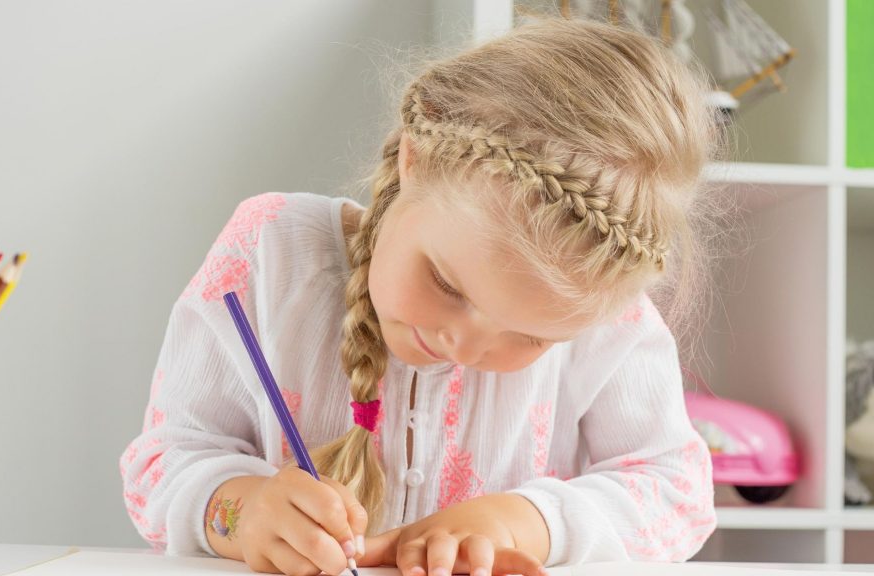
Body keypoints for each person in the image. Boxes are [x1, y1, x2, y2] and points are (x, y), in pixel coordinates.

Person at [120, 15, 724, 576]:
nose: (462, 343)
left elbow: (677, 492)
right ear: (415, 157)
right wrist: (241, 510)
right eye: (448, 285)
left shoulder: (601, 312)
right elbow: (161, 466)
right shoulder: (272, 254)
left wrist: (522, 524)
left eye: (531, 337)